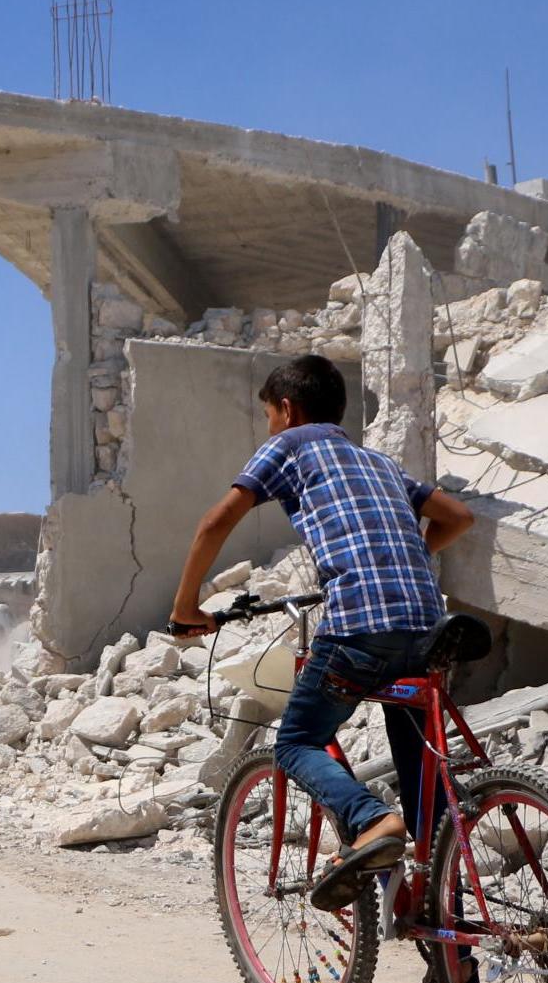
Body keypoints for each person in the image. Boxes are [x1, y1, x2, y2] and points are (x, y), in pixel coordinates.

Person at [168, 354, 473, 912]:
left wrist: (187, 606)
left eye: (268, 415)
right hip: (429, 628)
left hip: (358, 627)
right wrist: (403, 557)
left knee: (297, 742)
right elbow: (457, 517)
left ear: (286, 409)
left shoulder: (290, 445)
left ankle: (370, 821)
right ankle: (439, 912)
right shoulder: (377, 462)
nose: (269, 426)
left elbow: (214, 522)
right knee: (421, 774)